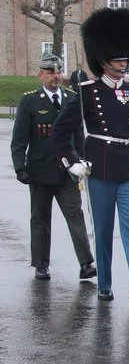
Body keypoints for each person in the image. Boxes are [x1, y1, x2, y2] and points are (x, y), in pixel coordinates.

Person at [52, 7, 129, 305]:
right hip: (99, 169)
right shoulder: (86, 92)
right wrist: (70, 162)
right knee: (102, 231)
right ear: (103, 61)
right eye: (118, 59)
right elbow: (60, 131)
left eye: (126, 58)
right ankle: (104, 283)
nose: (124, 63)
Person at [11, 52, 96, 281]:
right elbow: (20, 139)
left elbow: (79, 135)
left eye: (58, 72)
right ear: (40, 74)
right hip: (40, 171)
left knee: (75, 215)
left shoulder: (71, 98)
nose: (56, 76)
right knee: (40, 219)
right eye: (50, 73)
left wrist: (83, 160)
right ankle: (41, 264)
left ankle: (86, 263)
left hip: (68, 172)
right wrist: (20, 167)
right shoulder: (30, 101)